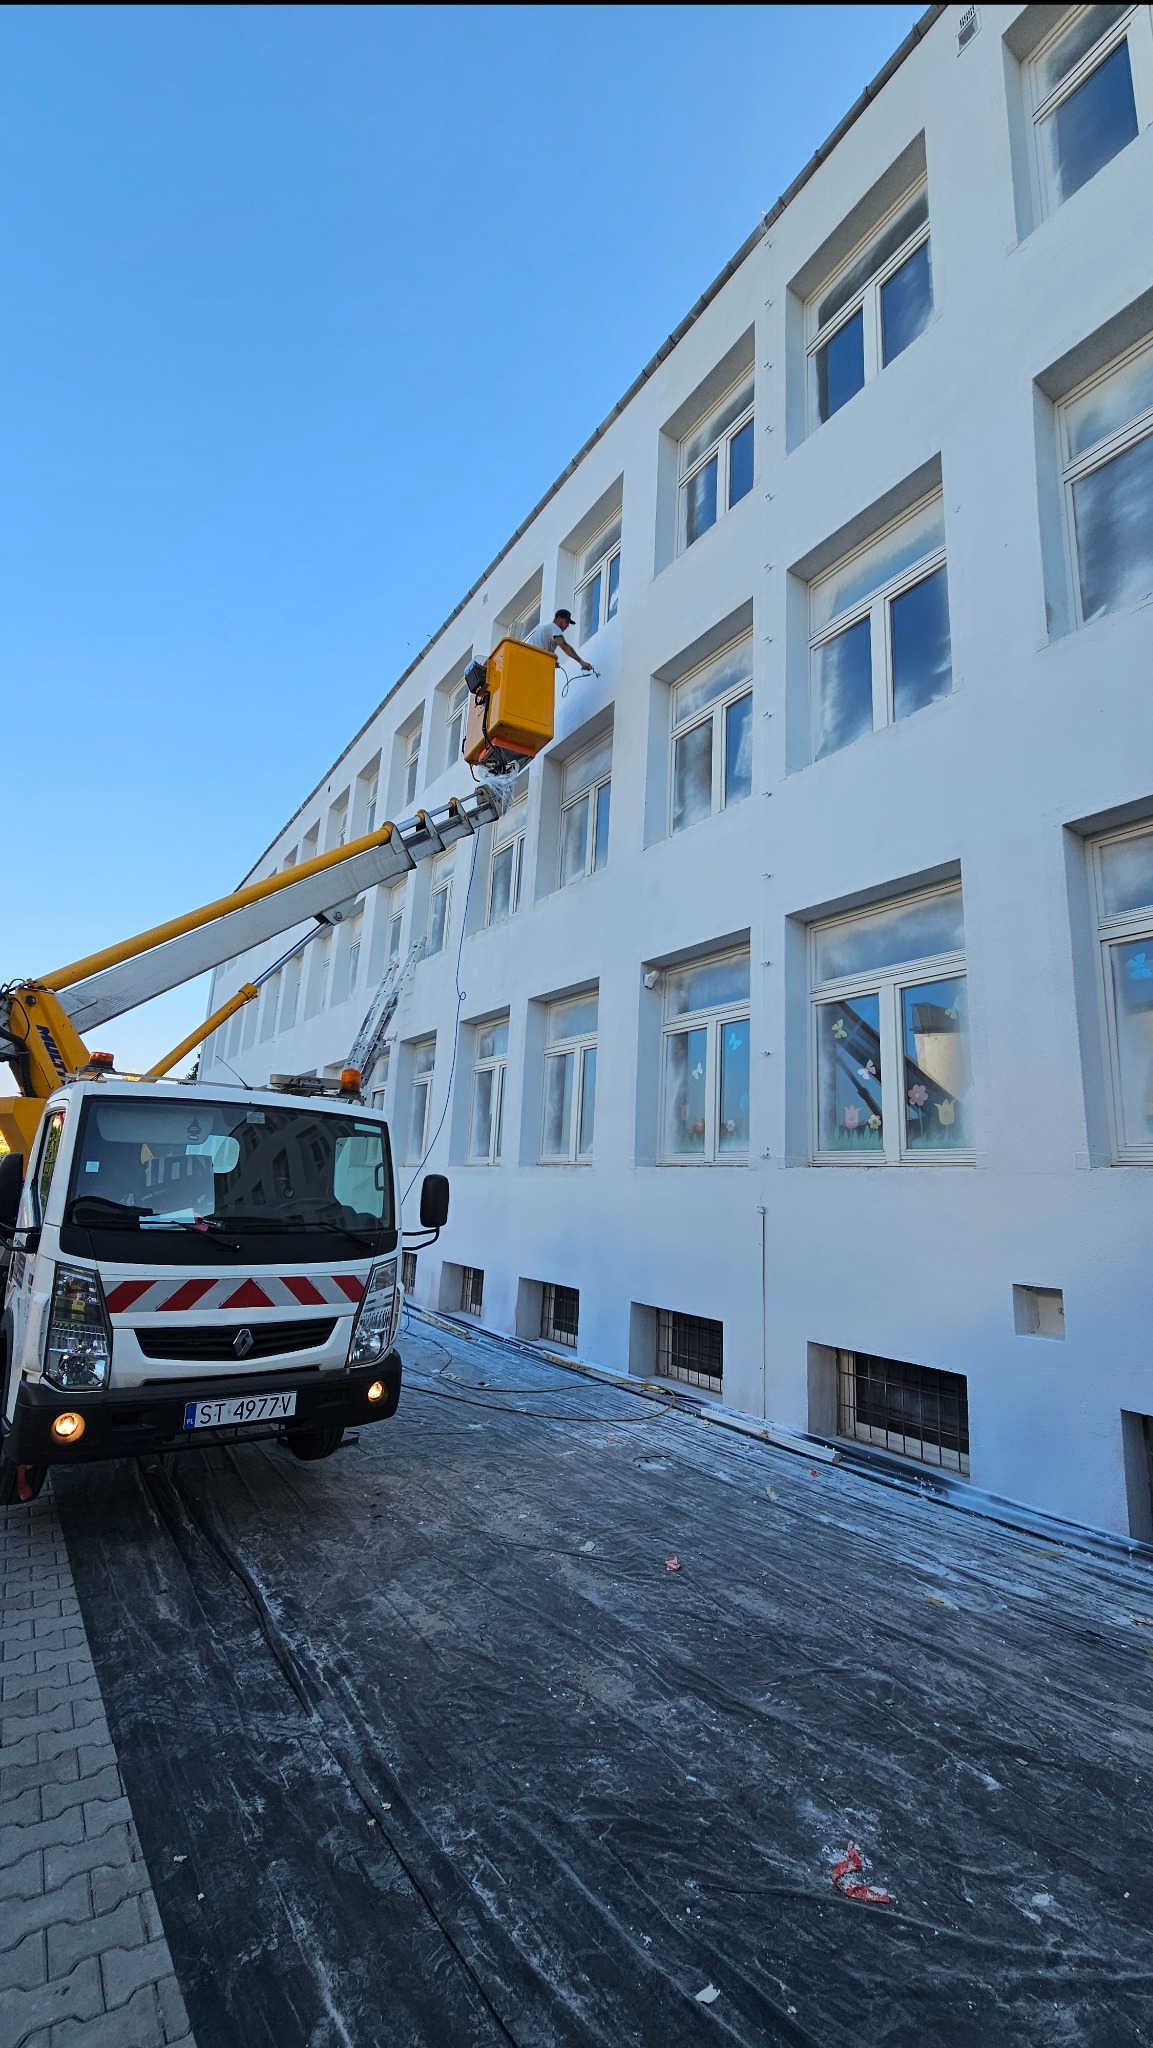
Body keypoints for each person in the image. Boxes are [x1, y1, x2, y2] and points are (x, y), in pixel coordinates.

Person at [520, 609, 593, 674]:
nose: (567, 625)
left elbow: (539, 647)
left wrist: (551, 660)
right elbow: (564, 646)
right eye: (566, 622)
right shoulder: (555, 628)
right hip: (535, 663)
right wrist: (581, 662)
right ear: (559, 618)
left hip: (528, 662)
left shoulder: (542, 628)